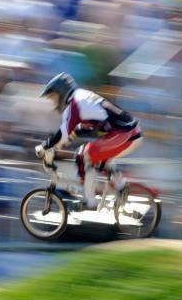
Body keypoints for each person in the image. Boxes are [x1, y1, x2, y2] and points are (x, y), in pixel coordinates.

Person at [34, 73, 142, 210]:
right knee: (85, 153)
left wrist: (45, 146)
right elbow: (82, 127)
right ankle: (118, 186)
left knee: (89, 153)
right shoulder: (81, 96)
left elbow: (65, 131)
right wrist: (62, 142)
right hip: (127, 132)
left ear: (61, 92)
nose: (53, 102)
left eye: (53, 97)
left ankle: (92, 200)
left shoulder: (74, 104)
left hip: (126, 133)